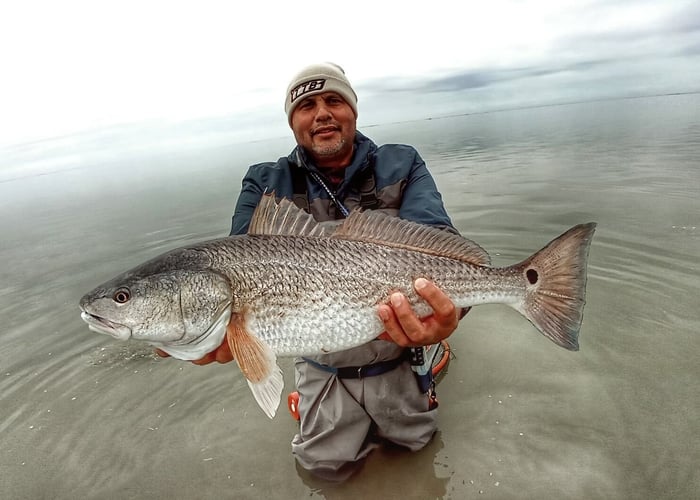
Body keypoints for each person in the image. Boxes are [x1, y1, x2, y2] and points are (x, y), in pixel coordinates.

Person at [188, 63, 466, 481]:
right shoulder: (266, 181)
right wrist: (227, 336)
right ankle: (315, 404)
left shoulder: (400, 162)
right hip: (322, 365)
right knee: (322, 469)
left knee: (417, 450)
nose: (321, 113)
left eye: (333, 100)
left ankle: (424, 376)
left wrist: (449, 317)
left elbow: (439, 244)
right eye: (306, 105)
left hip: (399, 354)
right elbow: (240, 259)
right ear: (292, 121)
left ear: (353, 110)